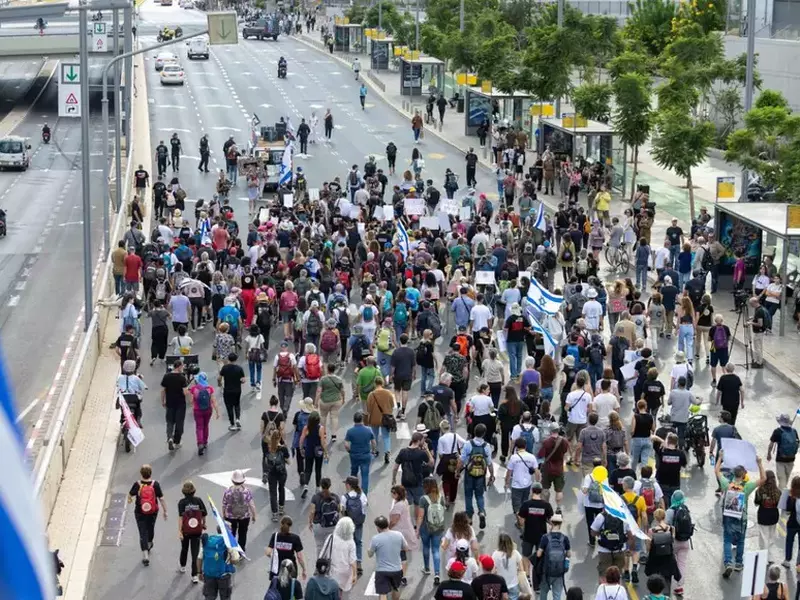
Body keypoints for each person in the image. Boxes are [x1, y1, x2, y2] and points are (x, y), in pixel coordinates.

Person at [716, 451, 766, 577]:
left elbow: (717, 471)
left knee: (727, 539)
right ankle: (739, 563)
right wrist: (759, 464)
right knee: (741, 540)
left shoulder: (727, 484)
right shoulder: (747, 486)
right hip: (741, 517)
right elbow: (763, 479)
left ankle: (728, 562)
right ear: (743, 475)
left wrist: (720, 458)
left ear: (733, 474)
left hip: (728, 516)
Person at [128, 464, 167, 566]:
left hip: (140, 511)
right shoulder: (155, 484)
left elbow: (130, 495)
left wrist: (129, 500)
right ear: (151, 473)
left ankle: (145, 554)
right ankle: (149, 542)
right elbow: (161, 498)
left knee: (142, 532)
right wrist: (165, 511)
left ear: (141, 473)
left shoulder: (137, 484)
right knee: (151, 528)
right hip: (153, 511)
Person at [458, 422, 494, 529]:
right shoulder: (486, 446)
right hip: (480, 475)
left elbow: (461, 460)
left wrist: (457, 471)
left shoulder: (468, 444)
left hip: (469, 474)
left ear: (474, 432)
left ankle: (469, 517)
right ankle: (481, 512)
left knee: (468, 495)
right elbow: (489, 463)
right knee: (479, 495)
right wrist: (491, 475)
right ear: (484, 434)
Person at [368, 515, 408, 600]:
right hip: (397, 569)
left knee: (382, 593)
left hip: (382, 570)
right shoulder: (398, 535)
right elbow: (406, 548)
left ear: (378, 527)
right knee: (396, 589)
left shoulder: (375, 538)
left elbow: (370, 554)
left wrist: (369, 550)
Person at [177, 480, 207, 584]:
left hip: (185, 530)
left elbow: (181, 518)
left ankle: (182, 565)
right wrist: (204, 523)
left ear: (183, 492)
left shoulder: (181, 502)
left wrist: (179, 531)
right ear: (194, 491)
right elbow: (204, 514)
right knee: (195, 552)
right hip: (197, 531)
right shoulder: (198, 500)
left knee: (184, 548)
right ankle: (194, 575)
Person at [537, 513, 571, 600]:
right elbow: (569, 554)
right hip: (559, 572)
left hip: (547, 571)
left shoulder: (545, 537)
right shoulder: (564, 538)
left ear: (551, 523)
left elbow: (538, 554)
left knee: (543, 593)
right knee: (557, 595)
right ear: (561, 524)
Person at [222, 470, 256, 552]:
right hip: (244, 516)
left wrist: (224, 515)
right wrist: (254, 515)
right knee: (243, 534)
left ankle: (232, 551)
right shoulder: (247, 491)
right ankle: (241, 551)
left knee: (231, 534)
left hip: (230, 517)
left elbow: (224, 505)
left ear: (232, 480)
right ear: (243, 481)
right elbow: (251, 505)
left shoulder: (228, 491)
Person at [198, 526, 237, 599]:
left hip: (209, 574)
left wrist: (199, 572)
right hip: (224, 575)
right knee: (225, 597)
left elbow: (199, 558)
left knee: (209, 597)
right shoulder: (228, 542)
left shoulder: (209, 540)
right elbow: (235, 560)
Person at [266, 517, 308, 582]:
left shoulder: (275, 536)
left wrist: (275, 557)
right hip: (291, 568)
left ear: (281, 524)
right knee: (290, 589)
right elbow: (299, 557)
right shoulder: (295, 538)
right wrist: (304, 569)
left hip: (277, 569)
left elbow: (268, 553)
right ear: (290, 525)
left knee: (278, 589)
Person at [754, 469, 782, 566]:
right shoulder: (778, 491)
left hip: (763, 515)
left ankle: (763, 557)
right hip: (774, 516)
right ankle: (770, 556)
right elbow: (780, 504)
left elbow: (756, 503)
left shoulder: (760, 490)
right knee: (771, 537)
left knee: (763, 538)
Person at [345, 411, 377, 493]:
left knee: (353, 473)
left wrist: (350, 451)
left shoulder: (350, 431)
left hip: (354, 455)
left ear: (354, 420)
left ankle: (352, 492)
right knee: (365, 476)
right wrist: (373, 451)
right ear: (362, 420)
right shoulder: (368, 430)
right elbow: (373, 442)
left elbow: (346, 445)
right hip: (365, 455)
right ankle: (364, 496)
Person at [189, 372, 219, 456]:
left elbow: (191, 401)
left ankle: (200, 443)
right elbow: (214, 400)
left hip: (198, 410)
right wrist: (217, 412)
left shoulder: (194, 389)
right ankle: (205, 442)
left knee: (199, 427)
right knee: (206, 426)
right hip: (208, 410)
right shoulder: (209, 388)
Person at [768, 413, 800, 489]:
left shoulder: (777, 431)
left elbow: (771, 445)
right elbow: (797, 444)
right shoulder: (794, 431)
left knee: (782, 482)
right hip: (791, 460)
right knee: (785, 480)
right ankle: (782, 495)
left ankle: (781, 497)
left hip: (780, 460)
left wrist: (769, 454)